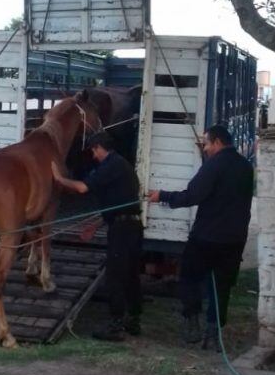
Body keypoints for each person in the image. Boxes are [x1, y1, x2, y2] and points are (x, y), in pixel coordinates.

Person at [147, 124, 254, 348]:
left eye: (206, 144)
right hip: (234, 239)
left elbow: (192, 195)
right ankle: (213, 335)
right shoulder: (246, 166)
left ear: (217, 142)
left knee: (190, 278)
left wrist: (162, 196)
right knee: (221, 287)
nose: (204, 148)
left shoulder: (213, 166)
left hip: (207, 237)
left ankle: (191, 323)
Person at [52, 131, 143, 342]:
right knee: (130, 275)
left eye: (94, 151)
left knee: (116, 275)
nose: (93, 156)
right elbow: (119, 202)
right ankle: (133, 319)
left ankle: (115, 324)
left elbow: (83, 188)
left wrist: (58, 178)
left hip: (123, 229)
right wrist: (96, 224)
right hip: (130, 225)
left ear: (100, 147)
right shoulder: (121, 166)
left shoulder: (111, 165)